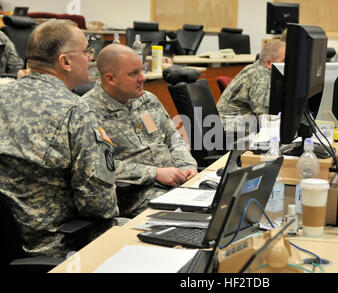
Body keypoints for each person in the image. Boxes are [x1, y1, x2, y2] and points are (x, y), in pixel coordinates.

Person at [0, 20, 119, 258]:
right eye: (86, 50)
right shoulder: (76, 111)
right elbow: (99, 205)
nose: (91, 57)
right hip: (56, 245)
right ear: (65, 61)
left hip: (11, 242)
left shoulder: (3, 96)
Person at [83, 44, 198, 218]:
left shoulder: (147, 99)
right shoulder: (87, 111)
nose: (142, 78)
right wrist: (155, 173)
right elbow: (96, 166)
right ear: (110, 79)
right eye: (133, 73)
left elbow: (173, 138)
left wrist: (187, 166)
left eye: (142, 70)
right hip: (137, 194)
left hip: (177, 182)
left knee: (221, 200)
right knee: (189, 216)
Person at [216, 40, 286, 133]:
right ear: (269, 63)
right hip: (230, 126)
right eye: (284, 61)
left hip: (232, 122)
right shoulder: (261, 76)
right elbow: (263, 115)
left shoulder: (257, 67)